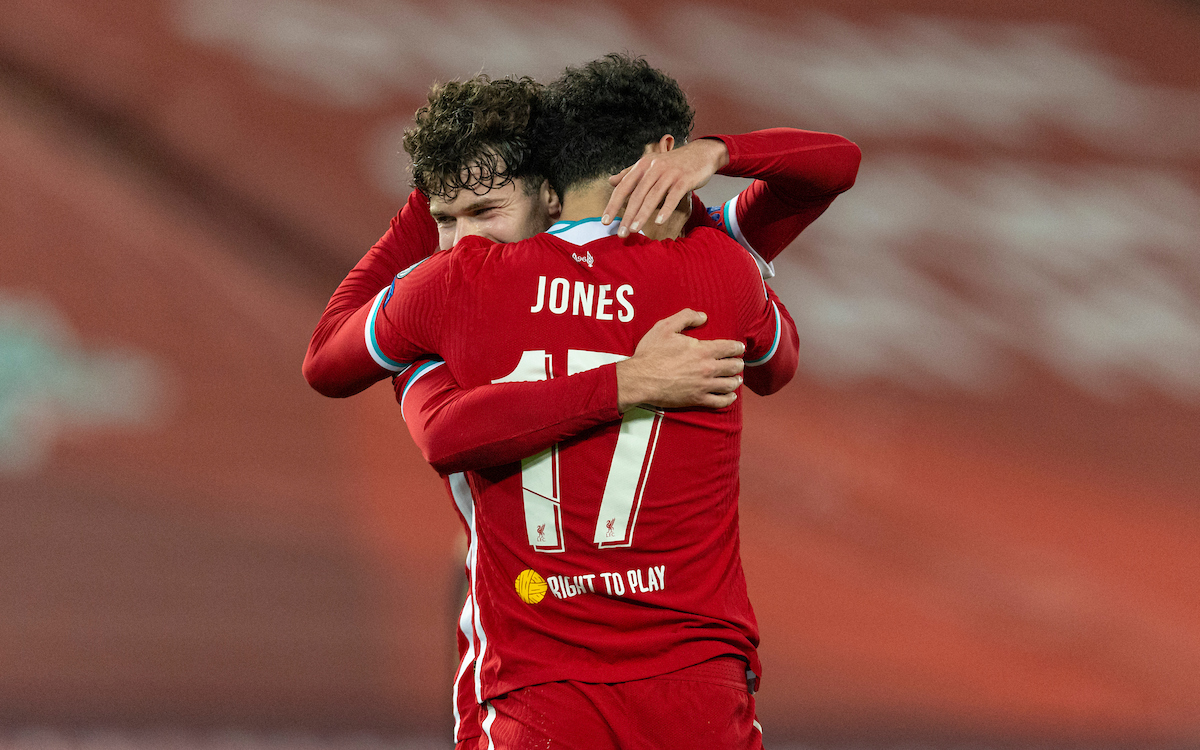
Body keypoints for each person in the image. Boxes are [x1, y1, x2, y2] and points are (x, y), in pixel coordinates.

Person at [303, 63, 860, 749]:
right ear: (663, 156)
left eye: (480, 210)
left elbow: (343, 370)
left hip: (538, 692)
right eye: (449, 216)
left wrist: (428, 196)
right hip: (699, 687)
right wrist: (718, 158)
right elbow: (781, 353)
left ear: (549, 182)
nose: (464, 236)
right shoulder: (722, 267)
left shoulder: (450, 291)